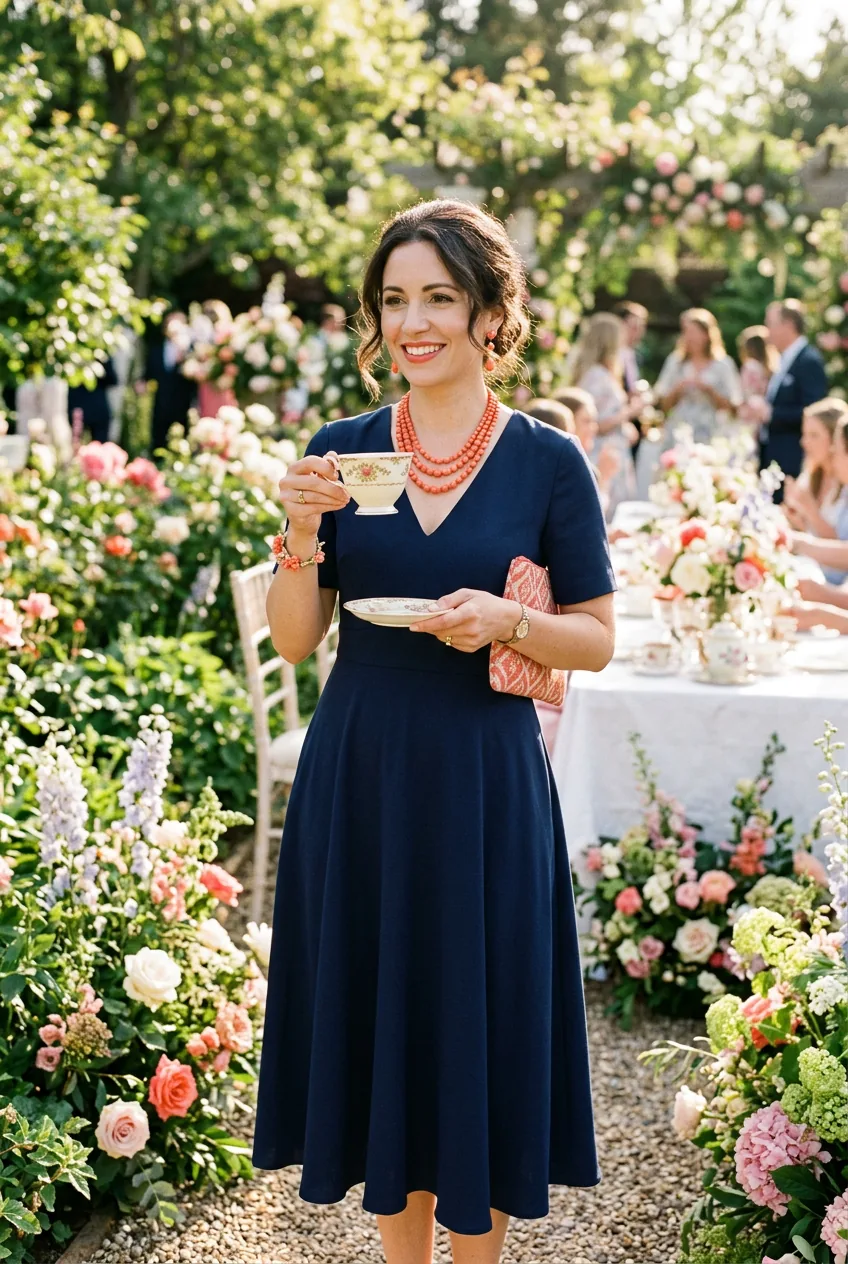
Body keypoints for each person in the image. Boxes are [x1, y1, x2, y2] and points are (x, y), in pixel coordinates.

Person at [253, 198, 615, 1264]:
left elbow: (592, 639)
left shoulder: (548, 462)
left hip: (481, 774)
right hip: (361, 765)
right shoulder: (342, 451)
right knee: (380, 1023)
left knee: (473, 1022)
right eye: (394, 299)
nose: (413, 323)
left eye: (438, 298)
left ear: (489, 312)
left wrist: (510, 621)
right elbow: (291, 640)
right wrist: (301, 530)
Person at [750, 299, 828, 493]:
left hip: (792, 458)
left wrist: (772, 415)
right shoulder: (784, 359)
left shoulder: (808, 361)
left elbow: (815, 412)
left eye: (771, 324)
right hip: (774, 456)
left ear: (788, 325)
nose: (767, 331)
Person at [573, 311, 639, 514]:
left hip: (614, 450)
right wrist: (631, 412)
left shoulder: (602, 374)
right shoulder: (596, 376)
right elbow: (596, 424)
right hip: (602, 453)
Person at [654, 308, 742, 445]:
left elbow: (734, 406)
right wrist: (678, 389)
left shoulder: (723, 364)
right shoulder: (675, 362)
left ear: (707, 334)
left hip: (712, 435)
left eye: (694, 332)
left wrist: (709, 390)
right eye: (685, 331)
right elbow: (662, 405)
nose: (689, 337)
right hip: (678, 435)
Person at [783, 399, 848, 582]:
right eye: (805, 434)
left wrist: (810, 511)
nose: (804, 442)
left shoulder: (844, 484)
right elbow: (811, 537)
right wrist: (796, 520)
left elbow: (840, 548)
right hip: (810, 568)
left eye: (814, 435)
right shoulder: (810, 476)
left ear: (834, 439)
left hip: (832, 580)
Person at [142, 311, 196, 455]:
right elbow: (149, 372)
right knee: (158, 441)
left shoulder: (192, 348)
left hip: (184, 404)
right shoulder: (156, 348)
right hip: (161, 403)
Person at [67, 356, 118, 443]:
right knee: (99, 449)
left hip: (77, 407)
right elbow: (113, 379)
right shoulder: (101, 353)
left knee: (77, 447)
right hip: (97, 408)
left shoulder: (71, 353)